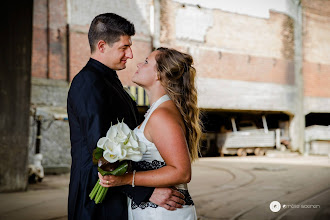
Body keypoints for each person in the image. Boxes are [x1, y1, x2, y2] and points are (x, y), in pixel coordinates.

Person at [67, 13, 185, 220]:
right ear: (102, 46)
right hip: (97, 202)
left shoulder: (109, 81)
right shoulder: (88, 83)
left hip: (117, 195)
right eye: (124, 47)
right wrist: (146, 192)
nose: (130, 55)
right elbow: (101, 150)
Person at [99, 47, 202, 219]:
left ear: (159, 75)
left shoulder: (162, 116)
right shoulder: (157, 111)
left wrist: (125, 179)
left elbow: (181, 172)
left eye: (146, 62)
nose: (139, 64)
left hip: (163, 213)